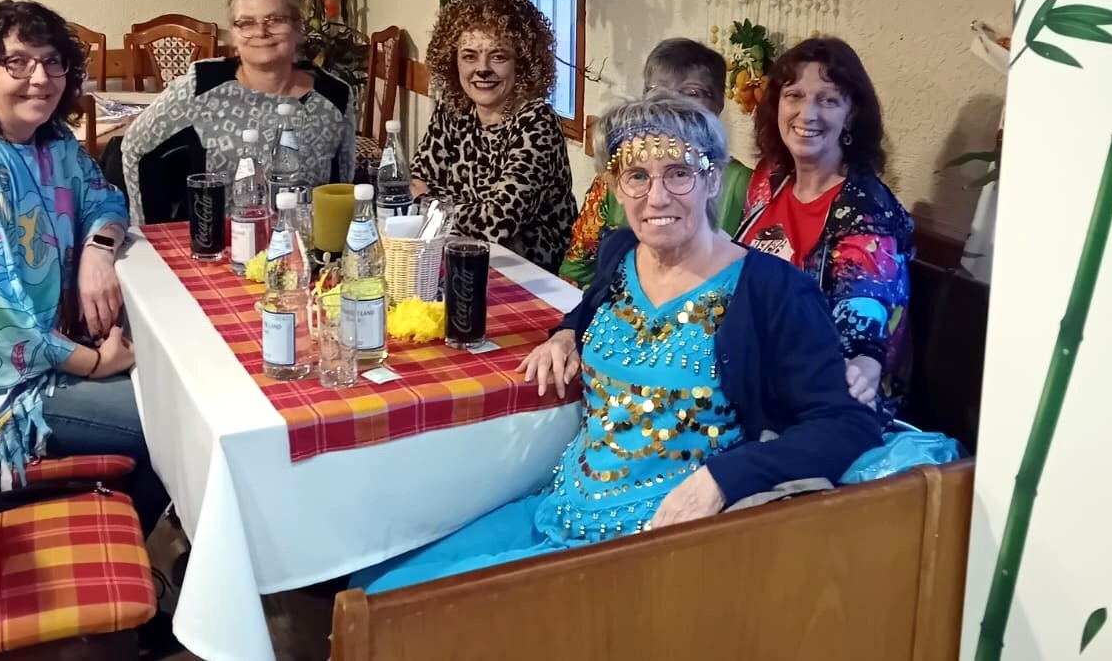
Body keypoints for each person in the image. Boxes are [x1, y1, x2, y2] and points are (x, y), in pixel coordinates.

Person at [353, 92, 880, 593]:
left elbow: (846, 424)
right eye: (637, 176)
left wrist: (723, 478)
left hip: (656, 537)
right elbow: (592, 305)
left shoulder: (772, 289)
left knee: (416, 614)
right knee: (374, 586)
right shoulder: (622, 252)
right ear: (614, 186)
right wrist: (566, 333)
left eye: (679, 173)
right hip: (560, 506)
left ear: (713, 179)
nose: (657, 197)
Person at [0, 0, 166, 533]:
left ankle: (122, 536)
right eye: (18, 62)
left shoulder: (53, 145)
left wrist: (98, 249)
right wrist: (95, 364)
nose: (40, 78)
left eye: (53, 61)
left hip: (52, 357)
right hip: (2, 390)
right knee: (171, 422)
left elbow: (106, 199)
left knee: (171, 396)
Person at [736, 37, 913, 418]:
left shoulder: (867, 211)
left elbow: (864, 315)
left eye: (828, 100)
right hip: (751, 369)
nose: (807, 113)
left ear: (851, 115)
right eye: (794, 96)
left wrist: (863, 364)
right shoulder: (770, 179)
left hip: (822, 395)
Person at [122, 0, 355, 223]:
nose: (261, 32)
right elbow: (135, 148)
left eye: (275, 20)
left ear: (298, 27)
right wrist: (153, 235)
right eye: (246, 23)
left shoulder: (335, 95)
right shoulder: (202, 85)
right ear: (234, 34)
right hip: (219, 242)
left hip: (303, 241)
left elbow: (343, 180)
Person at [559, 38, 752, 287]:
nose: (671, 102)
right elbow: (576, 270)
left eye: (692, 92)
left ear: (718, 104)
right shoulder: (620, 170)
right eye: (658, 89)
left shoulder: (744, 184)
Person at [410, 0, 574, 271]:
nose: (482, 69)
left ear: (522, 63)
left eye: (498, 57)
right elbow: (414, 182)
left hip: (529, 274)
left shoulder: (537, 122)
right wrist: (460, 208)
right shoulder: (453, 110)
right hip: (461, 257)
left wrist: (429, 201)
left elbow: (498, 223)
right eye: (469, 56)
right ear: (453, 61)